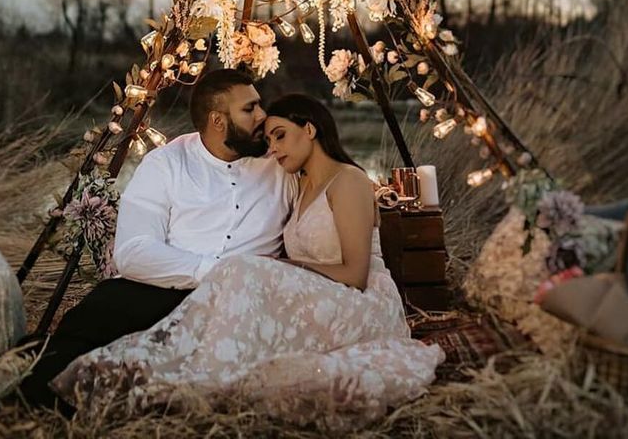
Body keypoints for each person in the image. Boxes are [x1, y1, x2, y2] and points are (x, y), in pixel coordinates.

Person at [50, 94, 444, 431]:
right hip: (316, 296)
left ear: (310, 129)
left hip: (358, 302)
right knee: (236, 273)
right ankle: (162, 369)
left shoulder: (350, 181)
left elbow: (356, 275)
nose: (273, 148)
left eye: (280, 136)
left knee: (243, 268)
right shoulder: (299, 183)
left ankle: (206, 377)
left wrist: (284, 268)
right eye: (269, 139)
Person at [0, 68, 297, 422]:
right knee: (102, 308)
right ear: (218, 121)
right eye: (250, 108)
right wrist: (211, 272)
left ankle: (26, 389)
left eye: (259, 105)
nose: (263, 116)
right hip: (176, 288)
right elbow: (133, 251)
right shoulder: (167, 163)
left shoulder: (280, 162)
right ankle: (13, 399)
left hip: (247, 300)